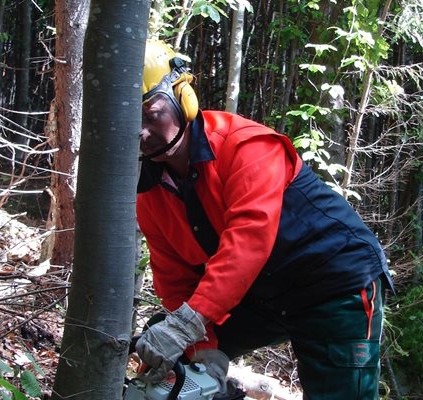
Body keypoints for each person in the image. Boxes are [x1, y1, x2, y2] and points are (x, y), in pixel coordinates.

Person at [134, 39, 394, 400]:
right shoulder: (150, 193)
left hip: (334, 284)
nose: (142, 130)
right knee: (163, 348)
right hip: (262, 294)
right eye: (130, 119)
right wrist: (201, 348)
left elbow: (248, 243)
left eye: (151, 112)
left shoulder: (245, 146)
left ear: (182, 95)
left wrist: (192, 322)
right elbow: (175, 280)